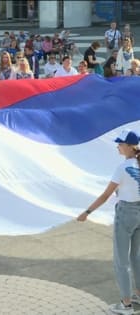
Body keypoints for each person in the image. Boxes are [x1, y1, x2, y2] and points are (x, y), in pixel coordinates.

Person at [77, 130, 140, 315]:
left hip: (126, 214)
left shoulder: (122, 168)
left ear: (130, 146)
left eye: (120, 144)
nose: (117, 147)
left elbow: (105, 195)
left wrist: (86, 212)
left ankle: (126, 305)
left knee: (121, 261)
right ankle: (138, 294)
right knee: (136, 257)